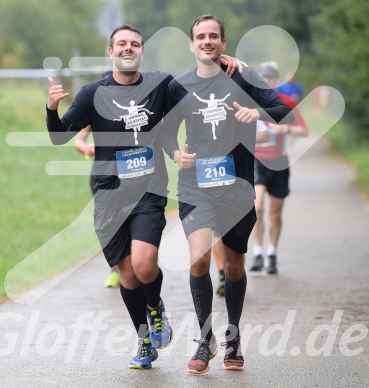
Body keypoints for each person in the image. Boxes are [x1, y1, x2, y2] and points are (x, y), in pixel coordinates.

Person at [46, 24, 243, 370]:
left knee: (144, 264)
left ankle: (155, 307)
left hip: (149, 193)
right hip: (108, 196)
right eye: (121, 43)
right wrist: (50, 109)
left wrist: (220, 59)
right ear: (111, 52)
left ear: (141, 51)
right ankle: (144, 340)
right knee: (126, 275)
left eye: (134, 44)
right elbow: (60, 137)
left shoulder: (161, 85)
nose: (128, 48)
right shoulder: (92, 93)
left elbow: (198, 82)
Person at [163, 15, 294, 374]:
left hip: (237, 187)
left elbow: (286, 110)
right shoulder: (179, 86)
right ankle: (205, 339)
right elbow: (162, 131)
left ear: (223, 42)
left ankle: (233, 337)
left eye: (213, 36)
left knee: (234, 265)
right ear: (191, 45)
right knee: (199, 260)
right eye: (200, 37)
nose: (206, 41)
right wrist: (175, 154)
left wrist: (259, 111)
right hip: (195, 187)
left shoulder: (244, 77)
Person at [249, 62, 308, 275]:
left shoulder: (287, 102)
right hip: (257, 160)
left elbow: (304, 131)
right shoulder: (251, 102)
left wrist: (285, 128)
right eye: (263, 78)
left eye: (271, 78)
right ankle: (257, 253)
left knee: (275, 213)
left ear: (277, 80)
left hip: (280, 162)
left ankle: (271, 253)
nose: (267, 82)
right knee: (257, 208)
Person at [73, 125, 120, 288]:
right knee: (108, 223)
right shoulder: (97, 104)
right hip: (102, 174)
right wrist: (86, 148)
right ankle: (115, 270)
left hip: (132, 170)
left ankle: (137, 264)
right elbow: (78, 140)